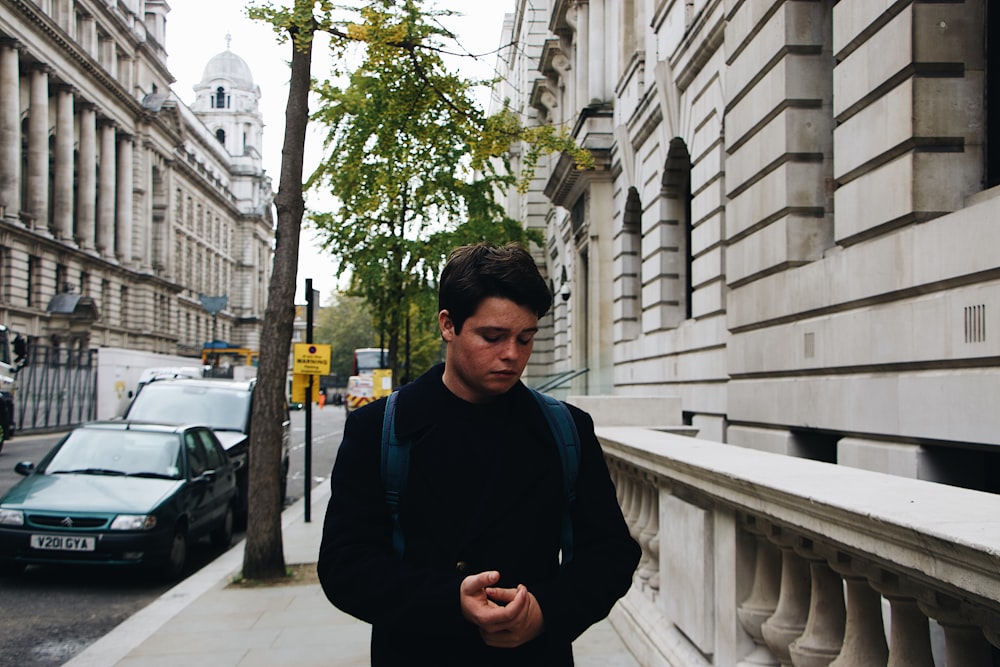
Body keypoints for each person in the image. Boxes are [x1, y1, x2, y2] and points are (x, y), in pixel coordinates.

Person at [318, 242, 640, 666]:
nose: (512, 354)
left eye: (525, 338)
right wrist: (450, 601)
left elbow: (611, 554)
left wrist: (545, 610)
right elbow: (344, 565)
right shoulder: (379, 428)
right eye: (493, 336)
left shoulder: (567, 430)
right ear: (448, 325)